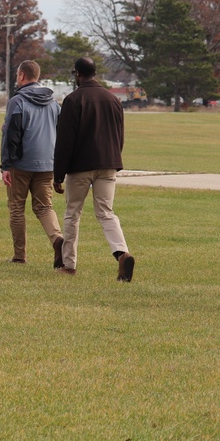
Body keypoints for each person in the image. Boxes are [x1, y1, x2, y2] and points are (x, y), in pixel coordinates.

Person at [53, 57, 135, 281]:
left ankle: (69, 264)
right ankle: (121, 253)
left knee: (73, 214)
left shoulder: (73, 100)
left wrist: (58, 174)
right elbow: (120, 135)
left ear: (78, 74)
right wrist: (114, 157)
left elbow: (65, 141)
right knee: (106, 213)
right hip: (108, 163)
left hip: (80, 166)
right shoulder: (113, 99)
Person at [1, 60, 64, 267]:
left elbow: (11, 134)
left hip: (21, 163)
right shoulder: (54, 103)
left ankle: (20, 256)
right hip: (48, 163)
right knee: (45, 207)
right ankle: (57, 239)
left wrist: (6, 165)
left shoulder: (17, 102)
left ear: (21, 75)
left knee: (17, 208)